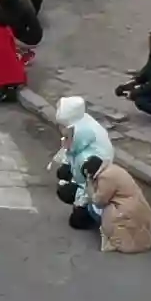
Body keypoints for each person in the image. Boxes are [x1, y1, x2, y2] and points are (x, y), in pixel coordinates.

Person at [48, 96, 113, 232]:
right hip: (89, 175)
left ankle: (91, 213)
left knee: (77, 219)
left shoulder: (88, 155)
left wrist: (79, 203)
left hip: (96, 187)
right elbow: (70, 152)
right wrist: (66, 165)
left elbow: (89, 185)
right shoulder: (81, 129)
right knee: (64, 174)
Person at [85, 157, 151, 254]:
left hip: (125, 210)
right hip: (137, 204)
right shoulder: (113, 168)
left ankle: (108, 234)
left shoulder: (105, 177)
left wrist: (90, 188)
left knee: (93, 208)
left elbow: (99, 201)